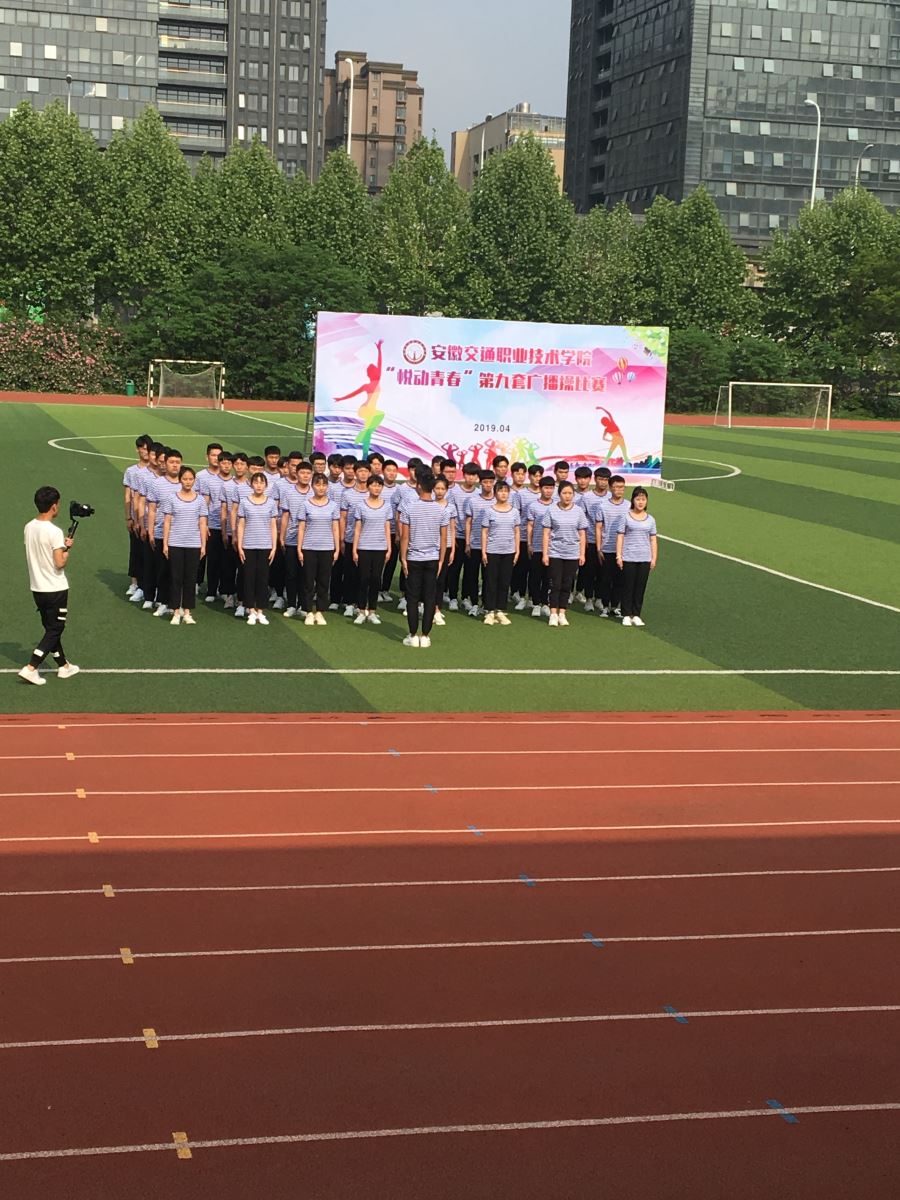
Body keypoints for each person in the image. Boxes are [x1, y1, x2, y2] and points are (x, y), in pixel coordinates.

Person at [19, 486, 79, 685]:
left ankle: (63, 666)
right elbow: (59, 562)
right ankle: (31, 667)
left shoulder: (29, 527)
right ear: (54, 506)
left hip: (37, 587)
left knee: (50, 628)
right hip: (55, 588)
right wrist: (67, 550)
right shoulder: (54, 532)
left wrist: (62, 547)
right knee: (55, 629)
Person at [399, 468, 450, 649]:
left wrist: (403, 558)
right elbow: (443, 538)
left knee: (412, 598)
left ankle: (413, 635)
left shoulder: (409, 508)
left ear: (420, 486)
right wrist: (441, 560)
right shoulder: (441, 509)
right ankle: (425, 635)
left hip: (414, 558)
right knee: (430, 597)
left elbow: (405, 537)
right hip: (433, 558)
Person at [161, 466, 208, 626]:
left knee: (190, 578)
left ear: (194, 480)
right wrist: (165, 543)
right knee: (176, 578)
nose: (188, 482)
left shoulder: (200, 500)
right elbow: (167, 522)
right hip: (175, 543)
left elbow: (202, 523)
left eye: (190, 479)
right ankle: (175, 611)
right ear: (180, 480)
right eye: (185, 479)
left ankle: (187, 612)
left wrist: (203, 545)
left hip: (193, 544)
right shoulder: (172, 498)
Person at [541, 481, 588, 627]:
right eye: (564, 493)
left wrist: (582, 554)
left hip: (572, 553)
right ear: (559, 494)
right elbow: (546, 533)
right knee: (555, 584)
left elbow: (582, 534)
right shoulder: (551, 510)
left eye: (570, 493)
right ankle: (553, 613)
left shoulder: (578, 511)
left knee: (567, 584)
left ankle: (562, 613)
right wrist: (545, 554)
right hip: (555, 552)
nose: (567, 496)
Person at [297, 472, 340, 625]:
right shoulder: (305, 504)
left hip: (327, 548)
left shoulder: (333, 505)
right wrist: (299, 549)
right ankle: (308, 611)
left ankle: (320, 611)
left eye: (324, 485)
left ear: (327, 487)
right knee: (308, 581)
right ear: (312, 486)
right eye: (318, 484)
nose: (321, 488)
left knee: (323, 581)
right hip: (309, 547)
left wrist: (336, 549)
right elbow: (301, 528)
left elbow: (335, 528)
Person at [236, 472, 278, 626]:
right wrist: (240, 546)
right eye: (256, 482)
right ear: (251, 484)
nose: (259, 485)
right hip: (248, 545)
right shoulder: (244, 502)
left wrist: (274, 546)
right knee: (248, 578)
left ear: (266, 485)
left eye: (262, 482)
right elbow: (241, 525)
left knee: (262, 578)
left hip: (265, 546)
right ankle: (250, 610)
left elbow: (273, 526)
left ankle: (260, 610)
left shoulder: (271, 503)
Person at [146, 447, 183, 617]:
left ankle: (176, 603)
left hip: (181, 535)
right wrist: (151, 531)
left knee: (178, 572)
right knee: (163, 569)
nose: (175, 465)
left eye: (178, 462)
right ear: (165, 464)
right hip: (161, 532)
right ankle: (162, 601)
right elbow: (152, 509)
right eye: (172, 462)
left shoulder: (186, 483)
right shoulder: (157, 484)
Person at [352, 473, 392, 625]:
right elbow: (357, 529)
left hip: (380, 548)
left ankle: (373, 611)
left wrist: (389, 548)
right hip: (364, 547)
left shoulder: (386, 506)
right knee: (363, 579)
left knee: (376, 579)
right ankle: (361, 610)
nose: (376, 488)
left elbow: (387, 528)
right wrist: (355, 549)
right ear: (368, 487)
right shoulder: (361, 505)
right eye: (374, 485)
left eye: (379, 485)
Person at [616, 486, 658, 627]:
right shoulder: (625, 517)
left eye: (643, 499)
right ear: (633, 500)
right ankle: (626, 614)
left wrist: (653, 558)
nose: (640, 502)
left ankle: (636, 614)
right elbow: (620, 536)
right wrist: (619, 556)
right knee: (628, 586)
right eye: (638, 499)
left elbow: (653, 539)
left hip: (644, 558)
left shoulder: (650, 519)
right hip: (629, 556)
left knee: (640, 587)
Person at [481, 480, 520, 625]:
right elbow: (484, 532)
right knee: (491, 581)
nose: (503, 494)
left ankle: (500, 610)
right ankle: (489, 611)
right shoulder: (489, 511)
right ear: (495, 493)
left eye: (506, 491)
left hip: (509, 551)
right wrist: (484, 551)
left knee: (504, 581)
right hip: (492, 551)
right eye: (500, 491)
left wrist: (517, 551)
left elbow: (517, 532)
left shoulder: (514, 511)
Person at [446, 461, 480, 611]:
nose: (471, 478)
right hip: (458, 537)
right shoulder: (454, 493)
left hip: (474, 539)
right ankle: (453, 597)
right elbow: (450, 515)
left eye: (474, 475)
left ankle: (466, 597)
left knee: (471, 571)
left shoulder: (479, 493)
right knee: (454, 569)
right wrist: (452, 536)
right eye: (468, 475)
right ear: (464, 475)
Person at [462, 469, 496, 617]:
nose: (488, 485)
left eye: (490, 482)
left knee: (489, 577)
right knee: (472, 575)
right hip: (475, 544)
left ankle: (486, 605)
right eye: (485, 482)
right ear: (480, 483)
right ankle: (474, 603)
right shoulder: (472, 500)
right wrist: (467, 543)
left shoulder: (497, 500)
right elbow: (468, 522)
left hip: (492, 546)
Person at [123, 434, 152, 603]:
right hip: (136, 518)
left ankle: (146, 585)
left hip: (150, 520)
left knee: (147, 553)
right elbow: (128, 496)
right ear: (138, 450)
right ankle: (134, 582)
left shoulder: (156, 472)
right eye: (143, 449)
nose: (145, 452)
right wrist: (129, 517)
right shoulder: (131, 471)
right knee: (135, 551)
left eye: (148, 449)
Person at [597, 474, 628, 618]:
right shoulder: (603, 506)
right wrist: (599, 548)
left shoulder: (629, 506)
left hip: (623, 549)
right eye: (616, 487)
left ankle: (615, 606)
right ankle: (605, 606)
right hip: (607, 547)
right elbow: (598, 528)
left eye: (622, 487)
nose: (619, 490)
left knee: (620, 579)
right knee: (606, 579)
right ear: (610, 488)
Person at [525, 475, 556, 618]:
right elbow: (530, 526)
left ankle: (545, 603)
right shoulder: (533, 506)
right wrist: (529, 544)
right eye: (546, 488)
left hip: (553, 548)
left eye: (551, 488)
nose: (548, 491)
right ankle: (535, 603)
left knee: (549, 577)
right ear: (541, 489)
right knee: (535, 576)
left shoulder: (557, 506)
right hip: (537, 546)